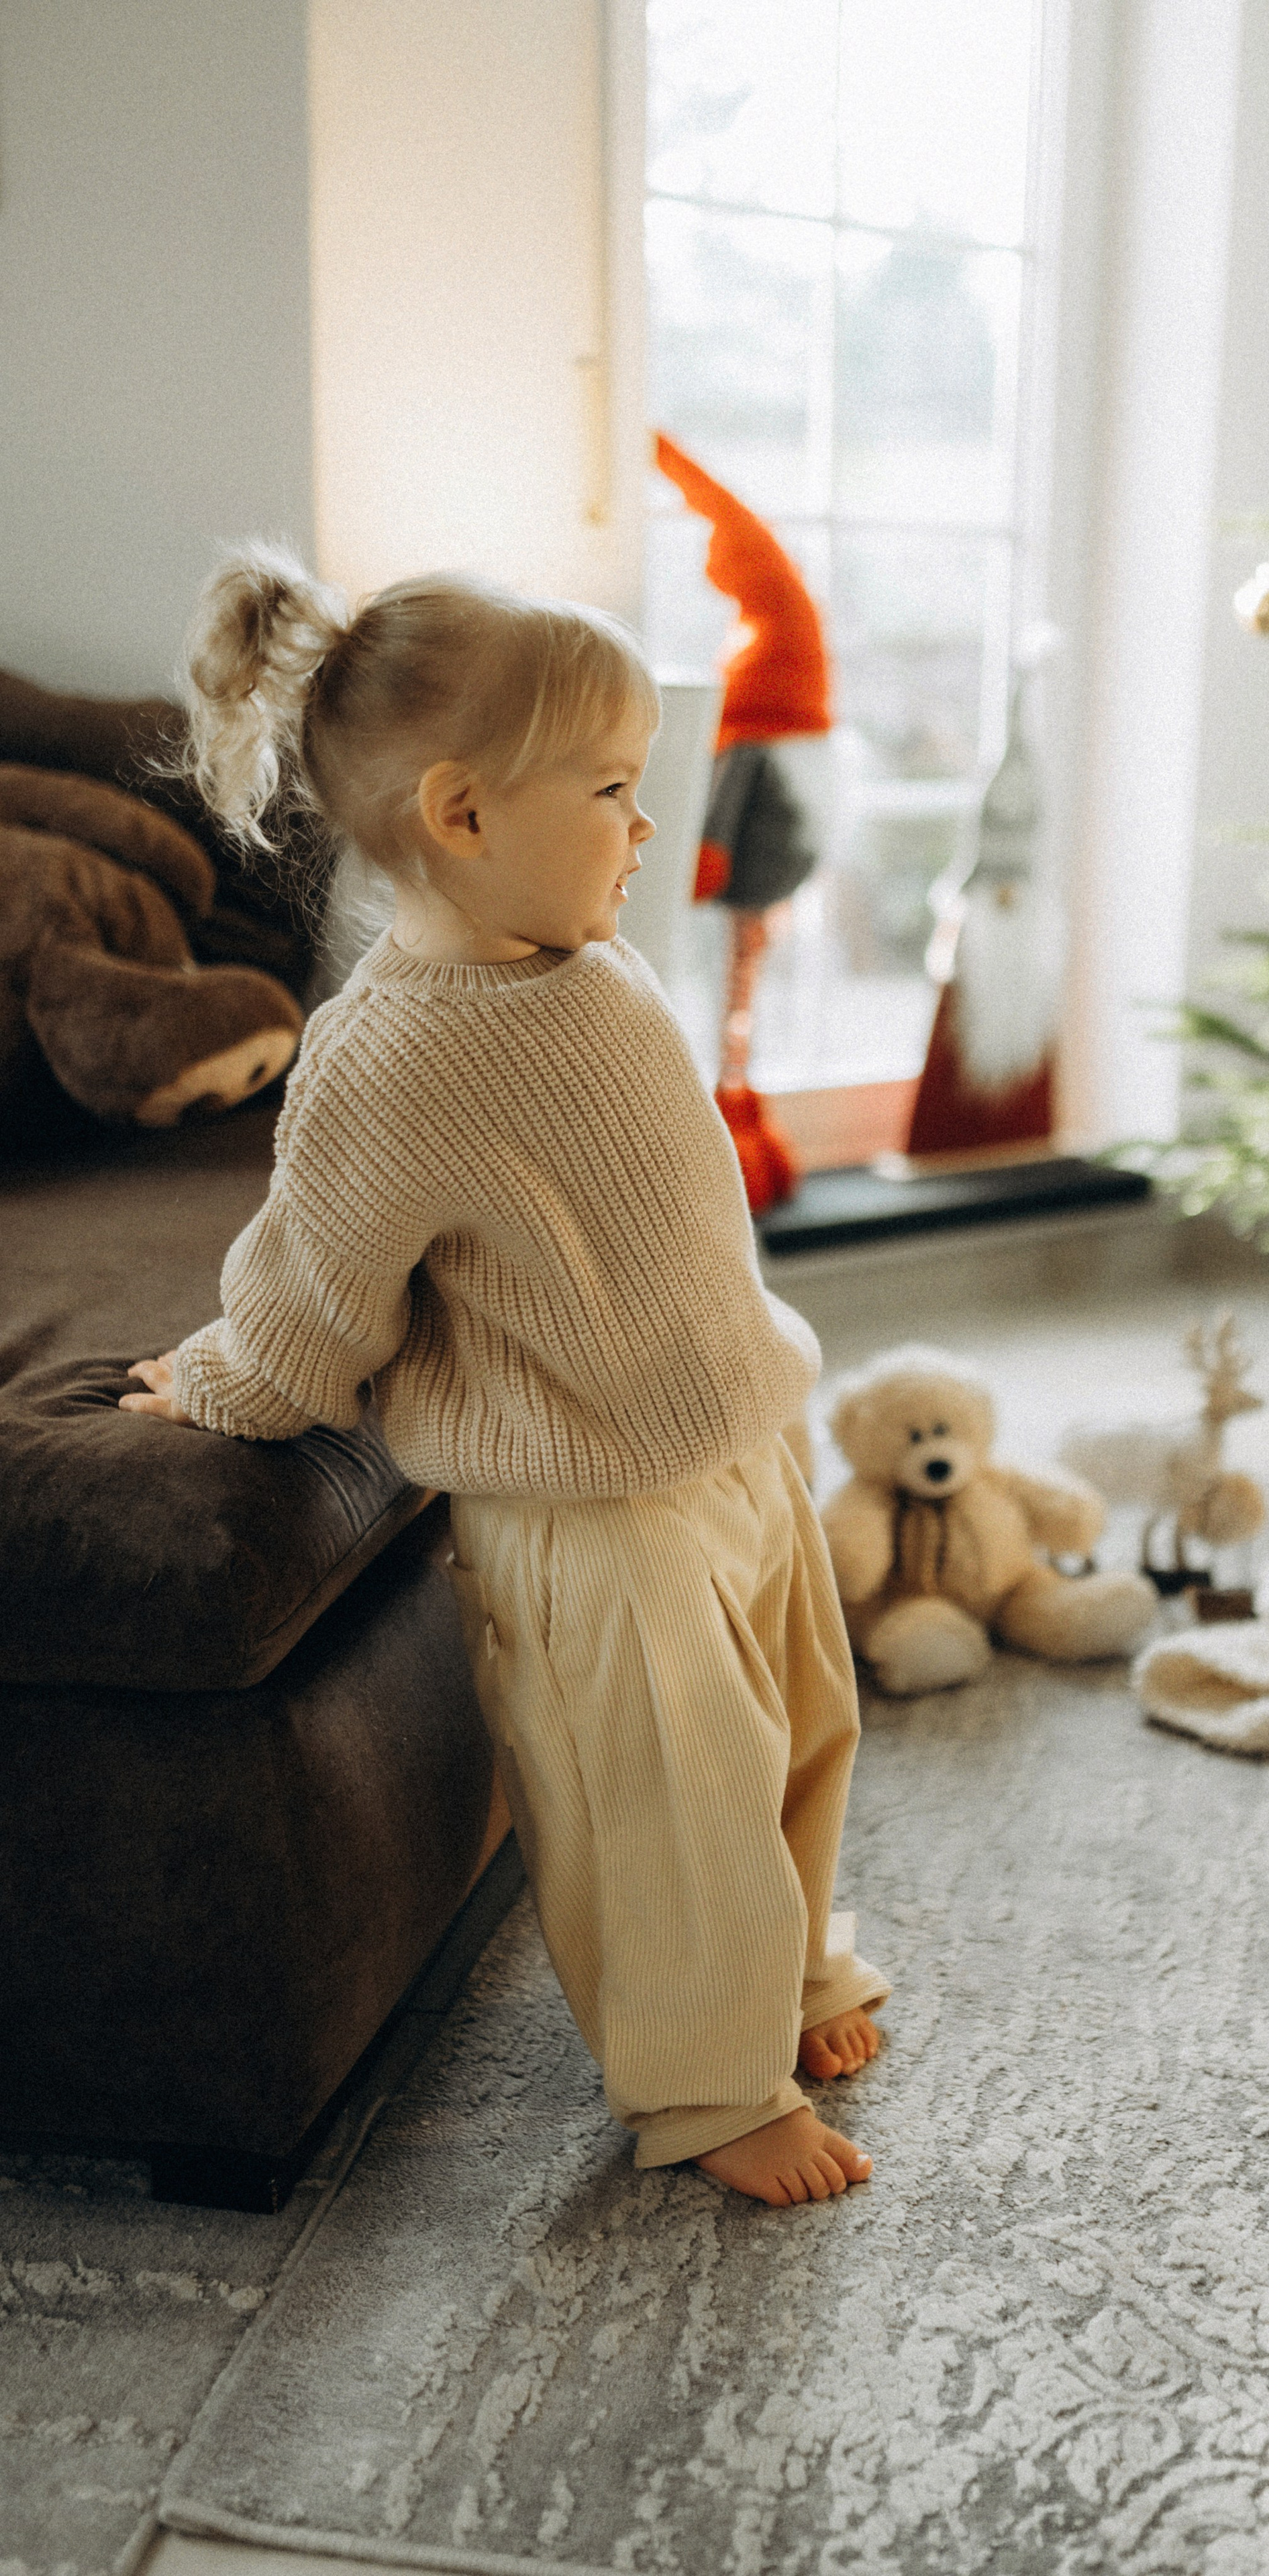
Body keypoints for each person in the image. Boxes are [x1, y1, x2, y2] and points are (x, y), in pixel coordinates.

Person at [121, 543, 889, 2207]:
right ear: (462, 817)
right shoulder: (386, 1059)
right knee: (668, 1808)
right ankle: (707, 2084)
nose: (644, 829)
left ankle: (801, 1970)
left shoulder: (588, 963)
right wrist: (220, 1380)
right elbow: (314, 1300)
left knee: (802, 1733)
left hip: (729, 1439)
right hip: (590, 1512)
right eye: (613, 791)